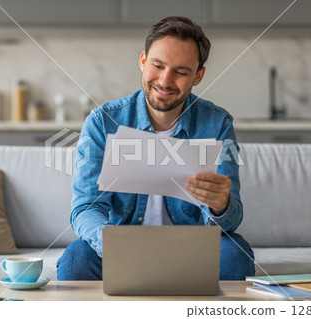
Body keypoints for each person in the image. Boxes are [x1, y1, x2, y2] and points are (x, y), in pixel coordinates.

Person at [57, 16, 255, 281]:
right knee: (75, 260)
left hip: (190, 248)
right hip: (119, 246)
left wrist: (221, 207)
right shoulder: (103, 122)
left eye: (181, 72)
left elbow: (230, 221)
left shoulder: (217, 124)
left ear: (198, 76)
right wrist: (115, 245)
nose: (165, 80)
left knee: (236, 255)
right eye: (157, 65)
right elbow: (85, 208)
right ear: (142, 61)